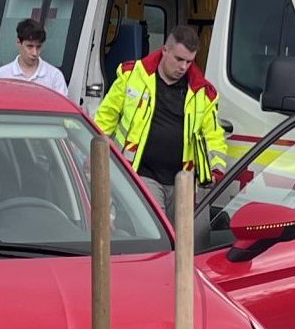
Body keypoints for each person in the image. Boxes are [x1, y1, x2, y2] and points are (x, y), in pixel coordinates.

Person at [94, 26, 228, 218]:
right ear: (165, 50)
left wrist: (216, 169)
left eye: (189, 61)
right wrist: (94, 155)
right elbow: (105, 118)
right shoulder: (133, 76)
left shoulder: (202, 92)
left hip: (183, 179)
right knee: (158, 229)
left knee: (180, 238)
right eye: (179, 59)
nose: (183, 67)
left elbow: (213, 135)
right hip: (141, 172)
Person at [0, 18, 70, 97]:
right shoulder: (1, 75)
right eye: (30, 46)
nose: (35, 53)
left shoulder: (54, 76)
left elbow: (63, 108)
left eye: (38, 47)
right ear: (19, 43)